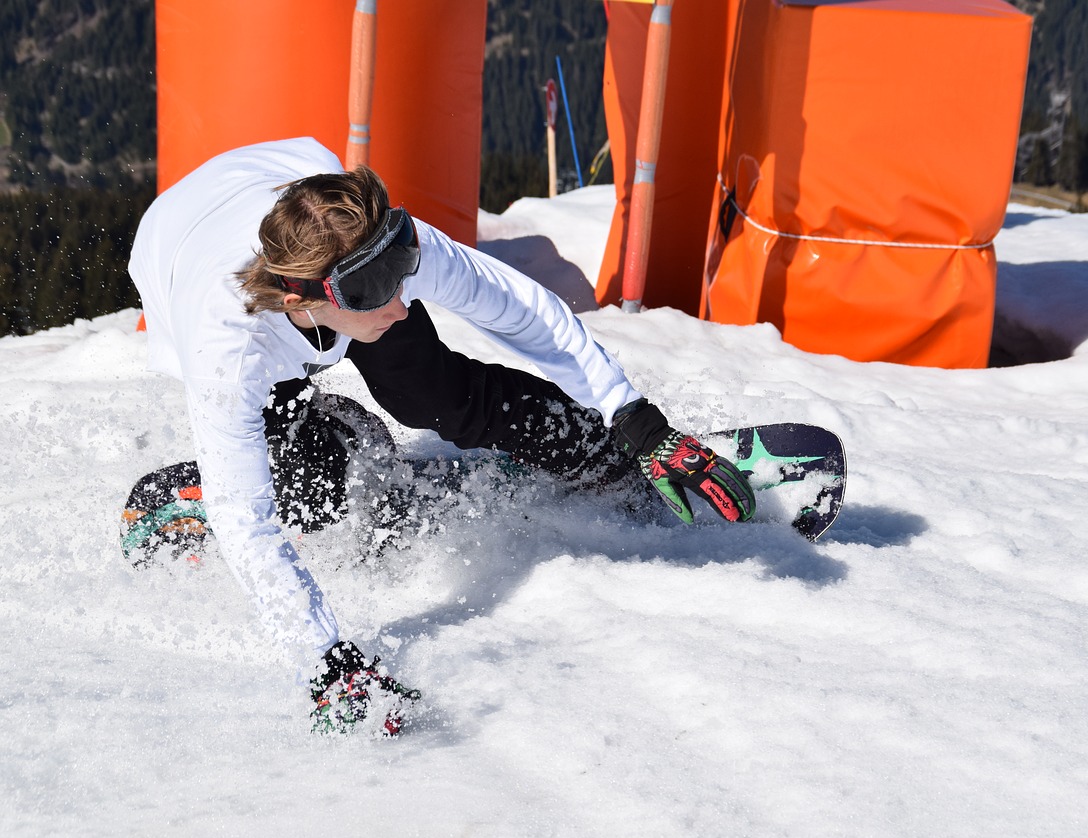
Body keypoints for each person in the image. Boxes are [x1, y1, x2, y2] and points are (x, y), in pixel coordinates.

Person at [126, 137, 755, 736]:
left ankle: (602, 461)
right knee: (303, 488)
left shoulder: (378, 259)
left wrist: (637, 425)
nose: (401, 302)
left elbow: (524, 312)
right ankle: (206, 481)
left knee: (432, 393)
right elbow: (248, 524)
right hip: (178, 242)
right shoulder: (231, 356)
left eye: (403, 272)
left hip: (291, 193)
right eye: (379, 291)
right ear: (305, 293)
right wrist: (326, 660)